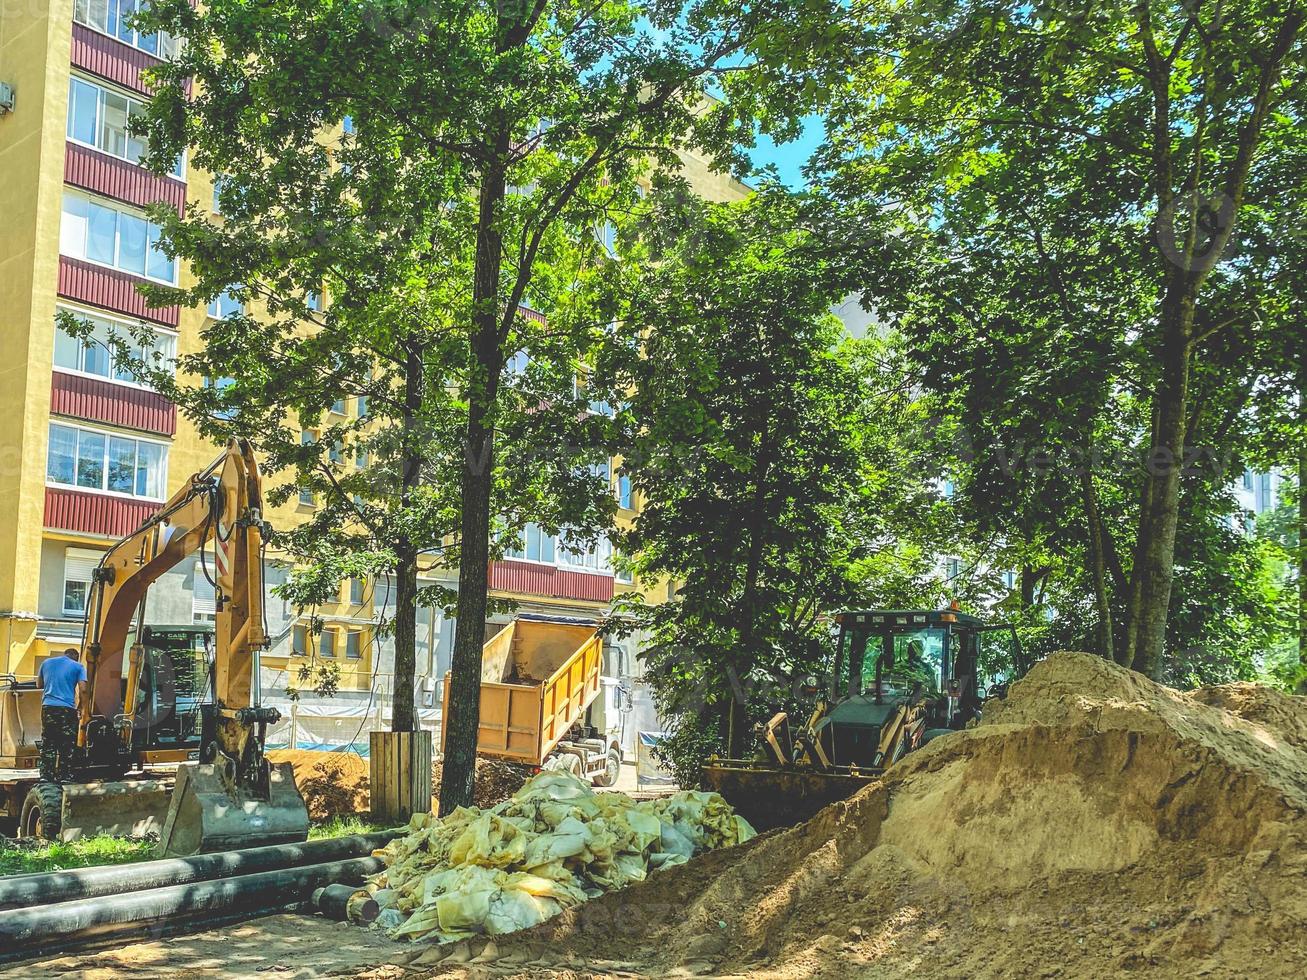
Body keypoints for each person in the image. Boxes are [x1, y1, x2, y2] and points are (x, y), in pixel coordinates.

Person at [36, 647, 87, 782]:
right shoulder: (78, 667)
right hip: (67, 709)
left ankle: (46, 776)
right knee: (67, 743)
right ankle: (65, 776)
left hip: (48, 708)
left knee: (48, 742)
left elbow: (39, 684)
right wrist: (81, 706)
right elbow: (83, 689)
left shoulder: (46, 663)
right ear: (75, 657)